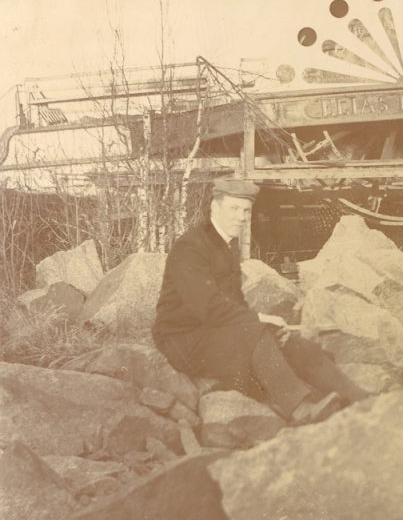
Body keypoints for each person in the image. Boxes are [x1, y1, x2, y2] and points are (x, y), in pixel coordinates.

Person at [153, 177, 367, 425]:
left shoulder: (224, 246)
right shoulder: (191, 246)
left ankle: (359, 398)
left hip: (213, 332)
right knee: (255, 330)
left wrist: (269, 328)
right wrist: (259, 320)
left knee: (291, 342)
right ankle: (300, 409)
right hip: (182, 339)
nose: (240, 217)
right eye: (233, 208)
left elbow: (235, 303)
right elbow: (208, 307)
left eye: (246, 211)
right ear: (214, 207)